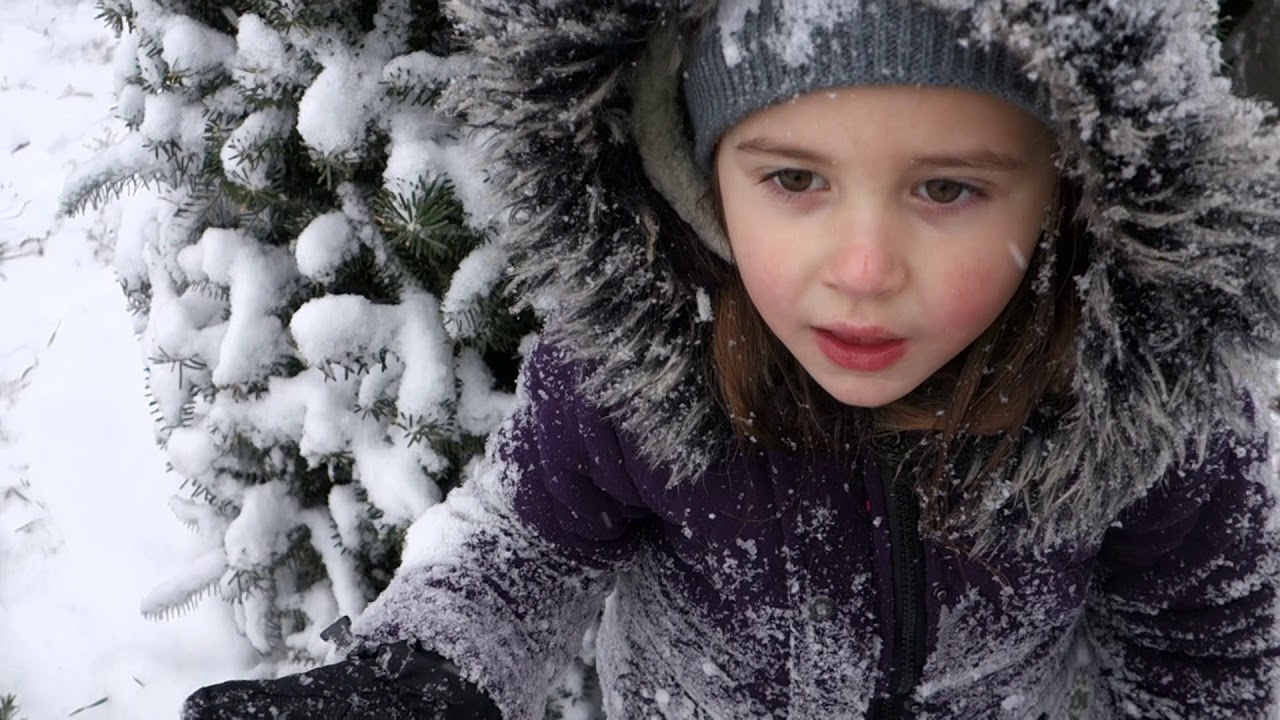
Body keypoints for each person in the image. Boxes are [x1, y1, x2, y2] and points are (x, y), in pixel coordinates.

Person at [183, 0, 1280, 717]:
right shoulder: (639, 362)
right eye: (792, 180)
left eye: (946, 188)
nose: (858, 268)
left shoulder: (1144, 409)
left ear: (1067, 198)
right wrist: (414, 676)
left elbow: (1212, 649)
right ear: (699, 177)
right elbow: (523, 550)